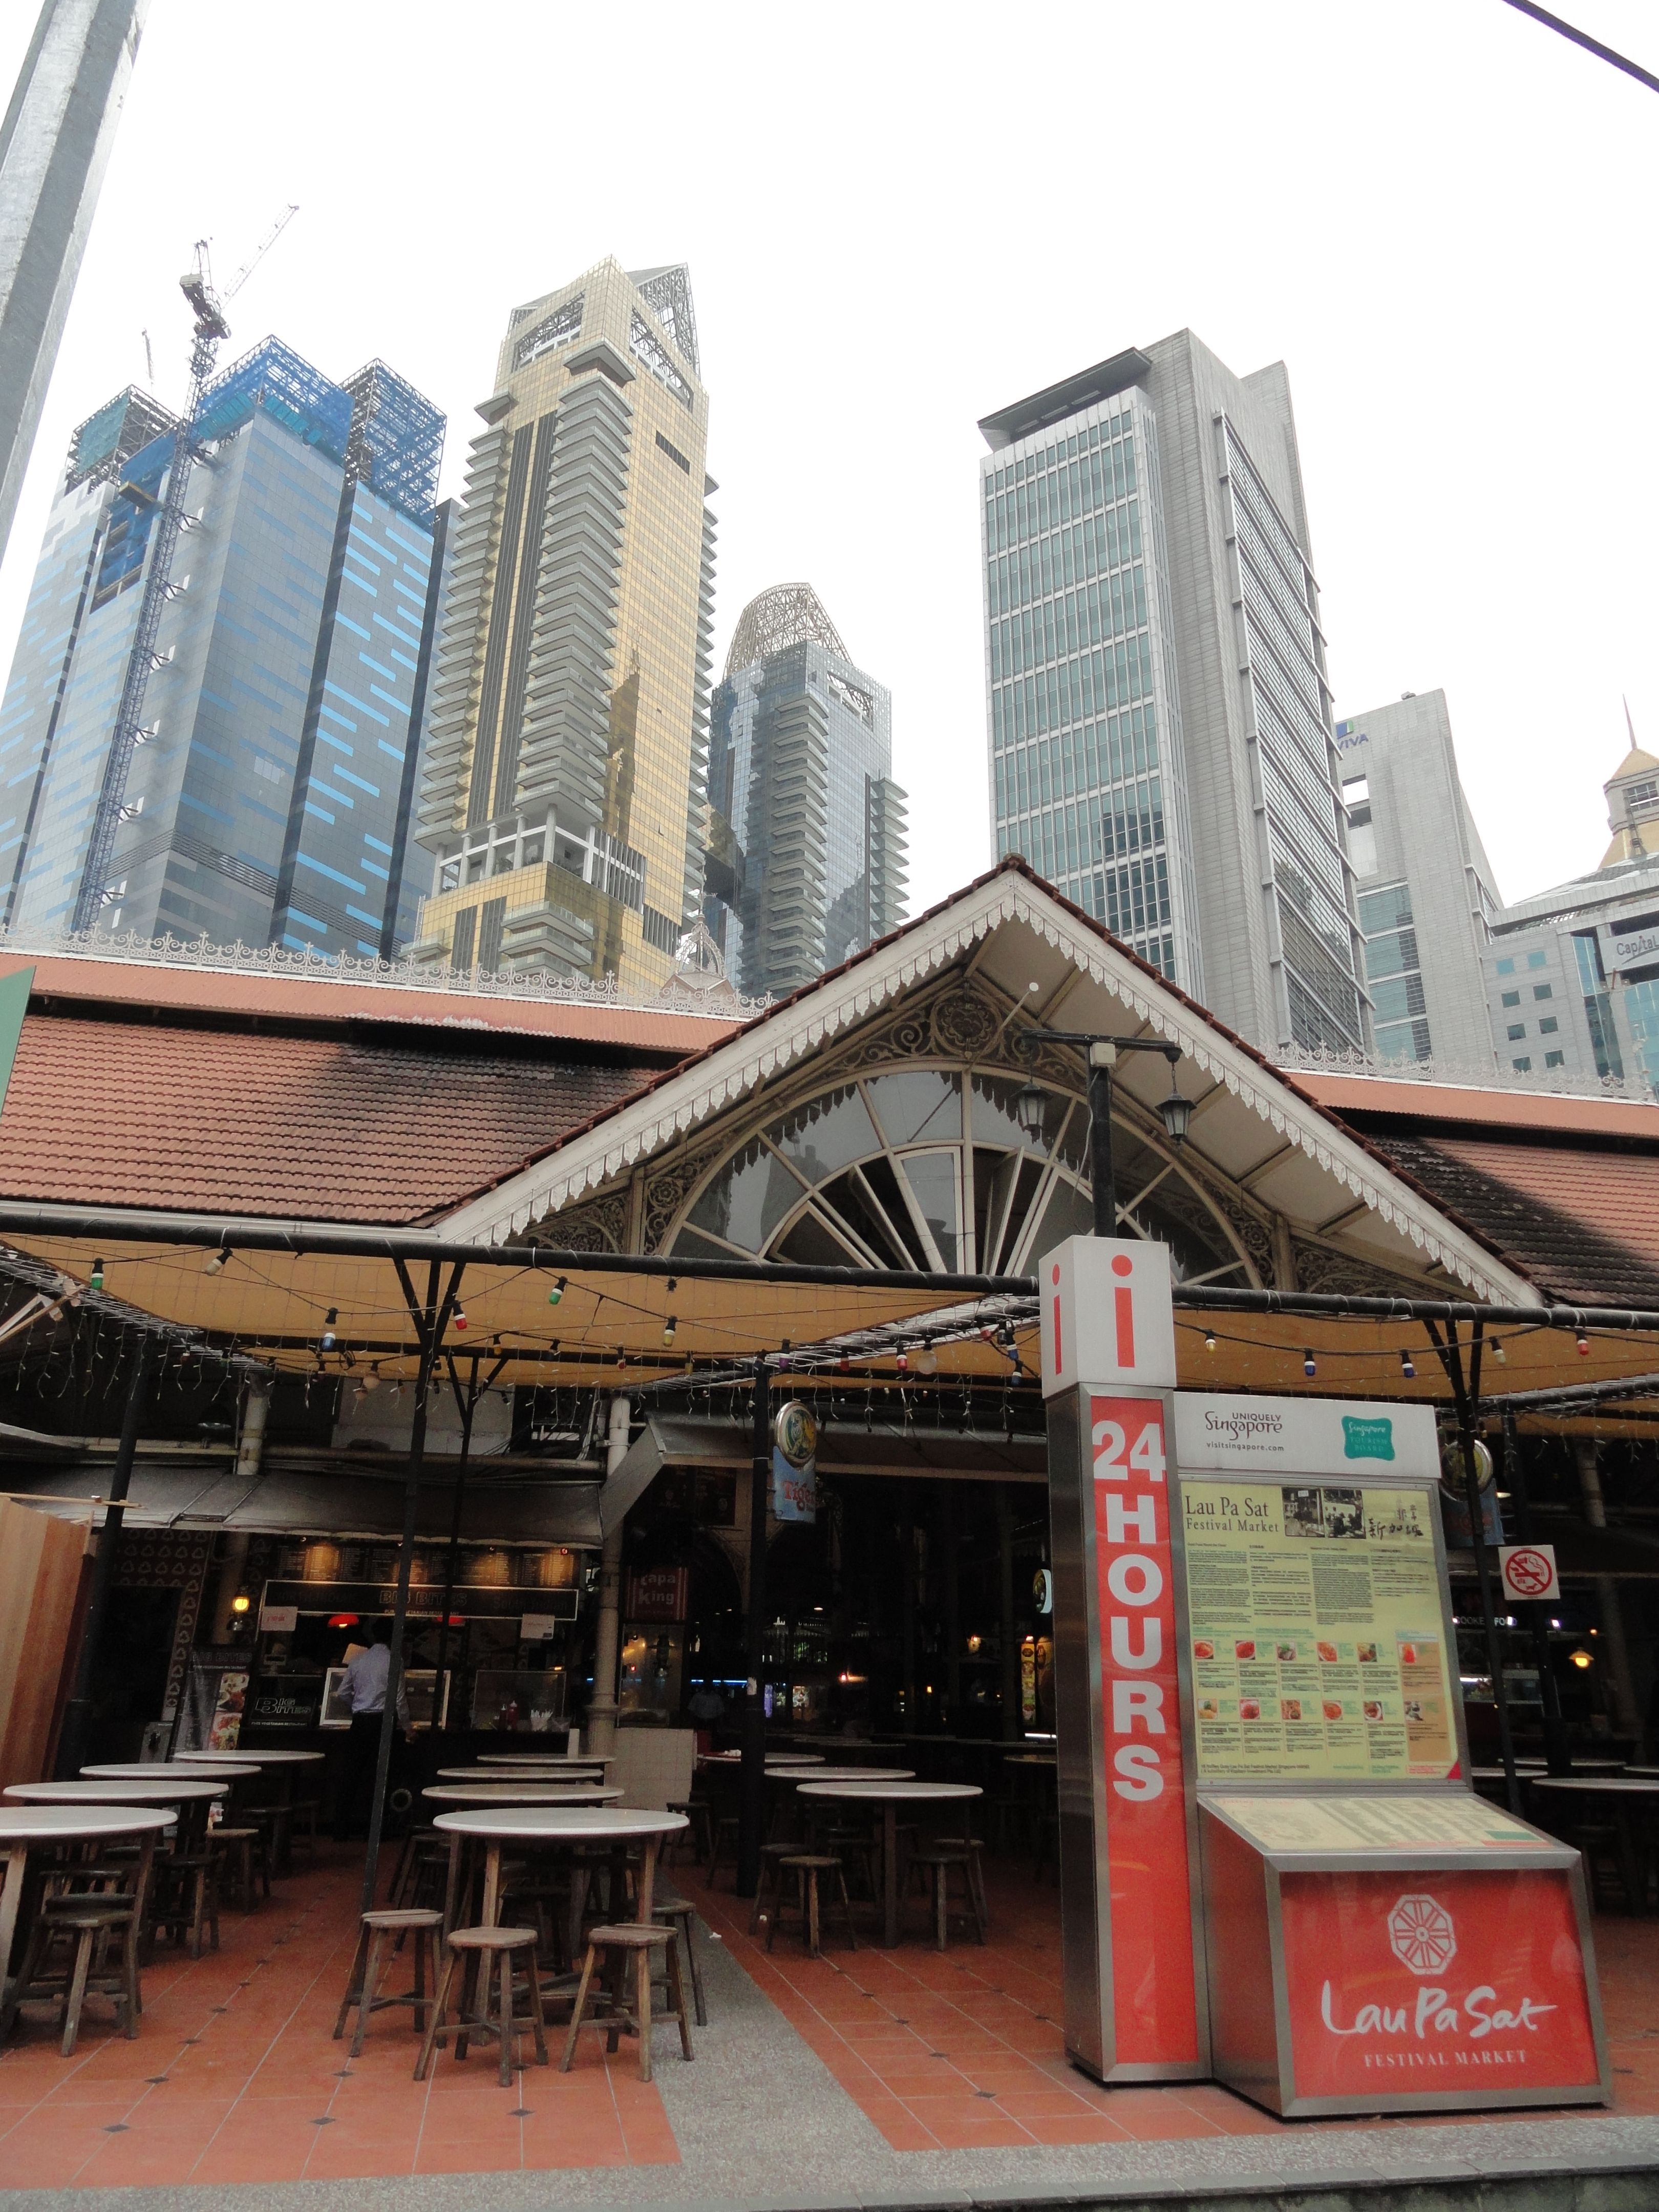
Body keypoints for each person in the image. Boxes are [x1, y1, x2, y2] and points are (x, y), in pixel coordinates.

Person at [332, 1620, 410, 1842]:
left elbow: (343, 1693)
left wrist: (356, 1707)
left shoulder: (359, 1660)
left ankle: (340, 1830)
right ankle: (375, 1831)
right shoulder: (394, 1660)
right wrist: (408, 1728)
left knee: (351, 1775)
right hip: (383, 1724)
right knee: (380, 1777)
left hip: (360, 1722)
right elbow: (400, 1700)